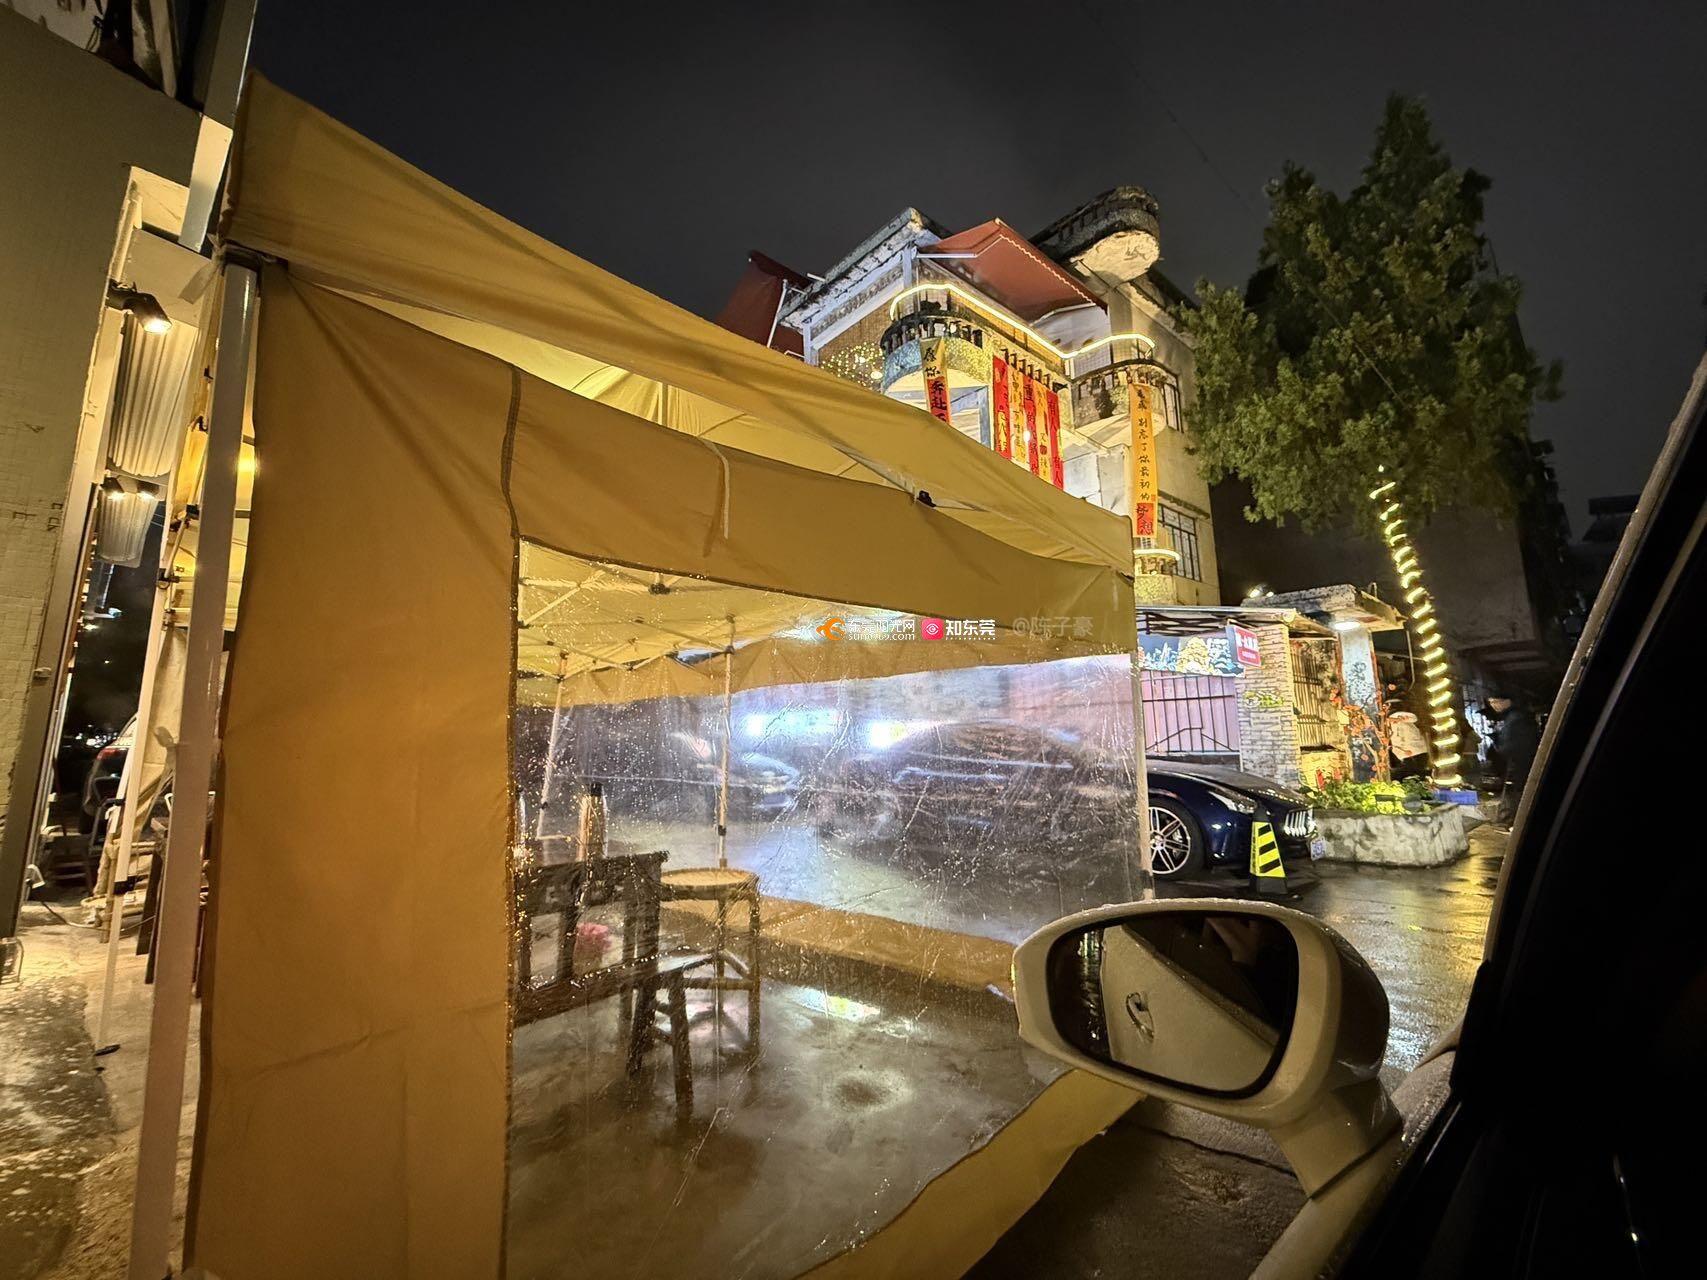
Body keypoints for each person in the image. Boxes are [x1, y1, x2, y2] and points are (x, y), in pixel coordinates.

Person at [1484, 695, 1540, 823]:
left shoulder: (1515, 719)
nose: (1493, 705)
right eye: (1491, 702)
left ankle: (1516, 821)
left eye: (1496, 701)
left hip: (1519, 765)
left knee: (1518, 794)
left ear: (1507, 701)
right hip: (1519, 764)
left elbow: (1510, 746)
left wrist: (1496, 742)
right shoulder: (1514, 717)